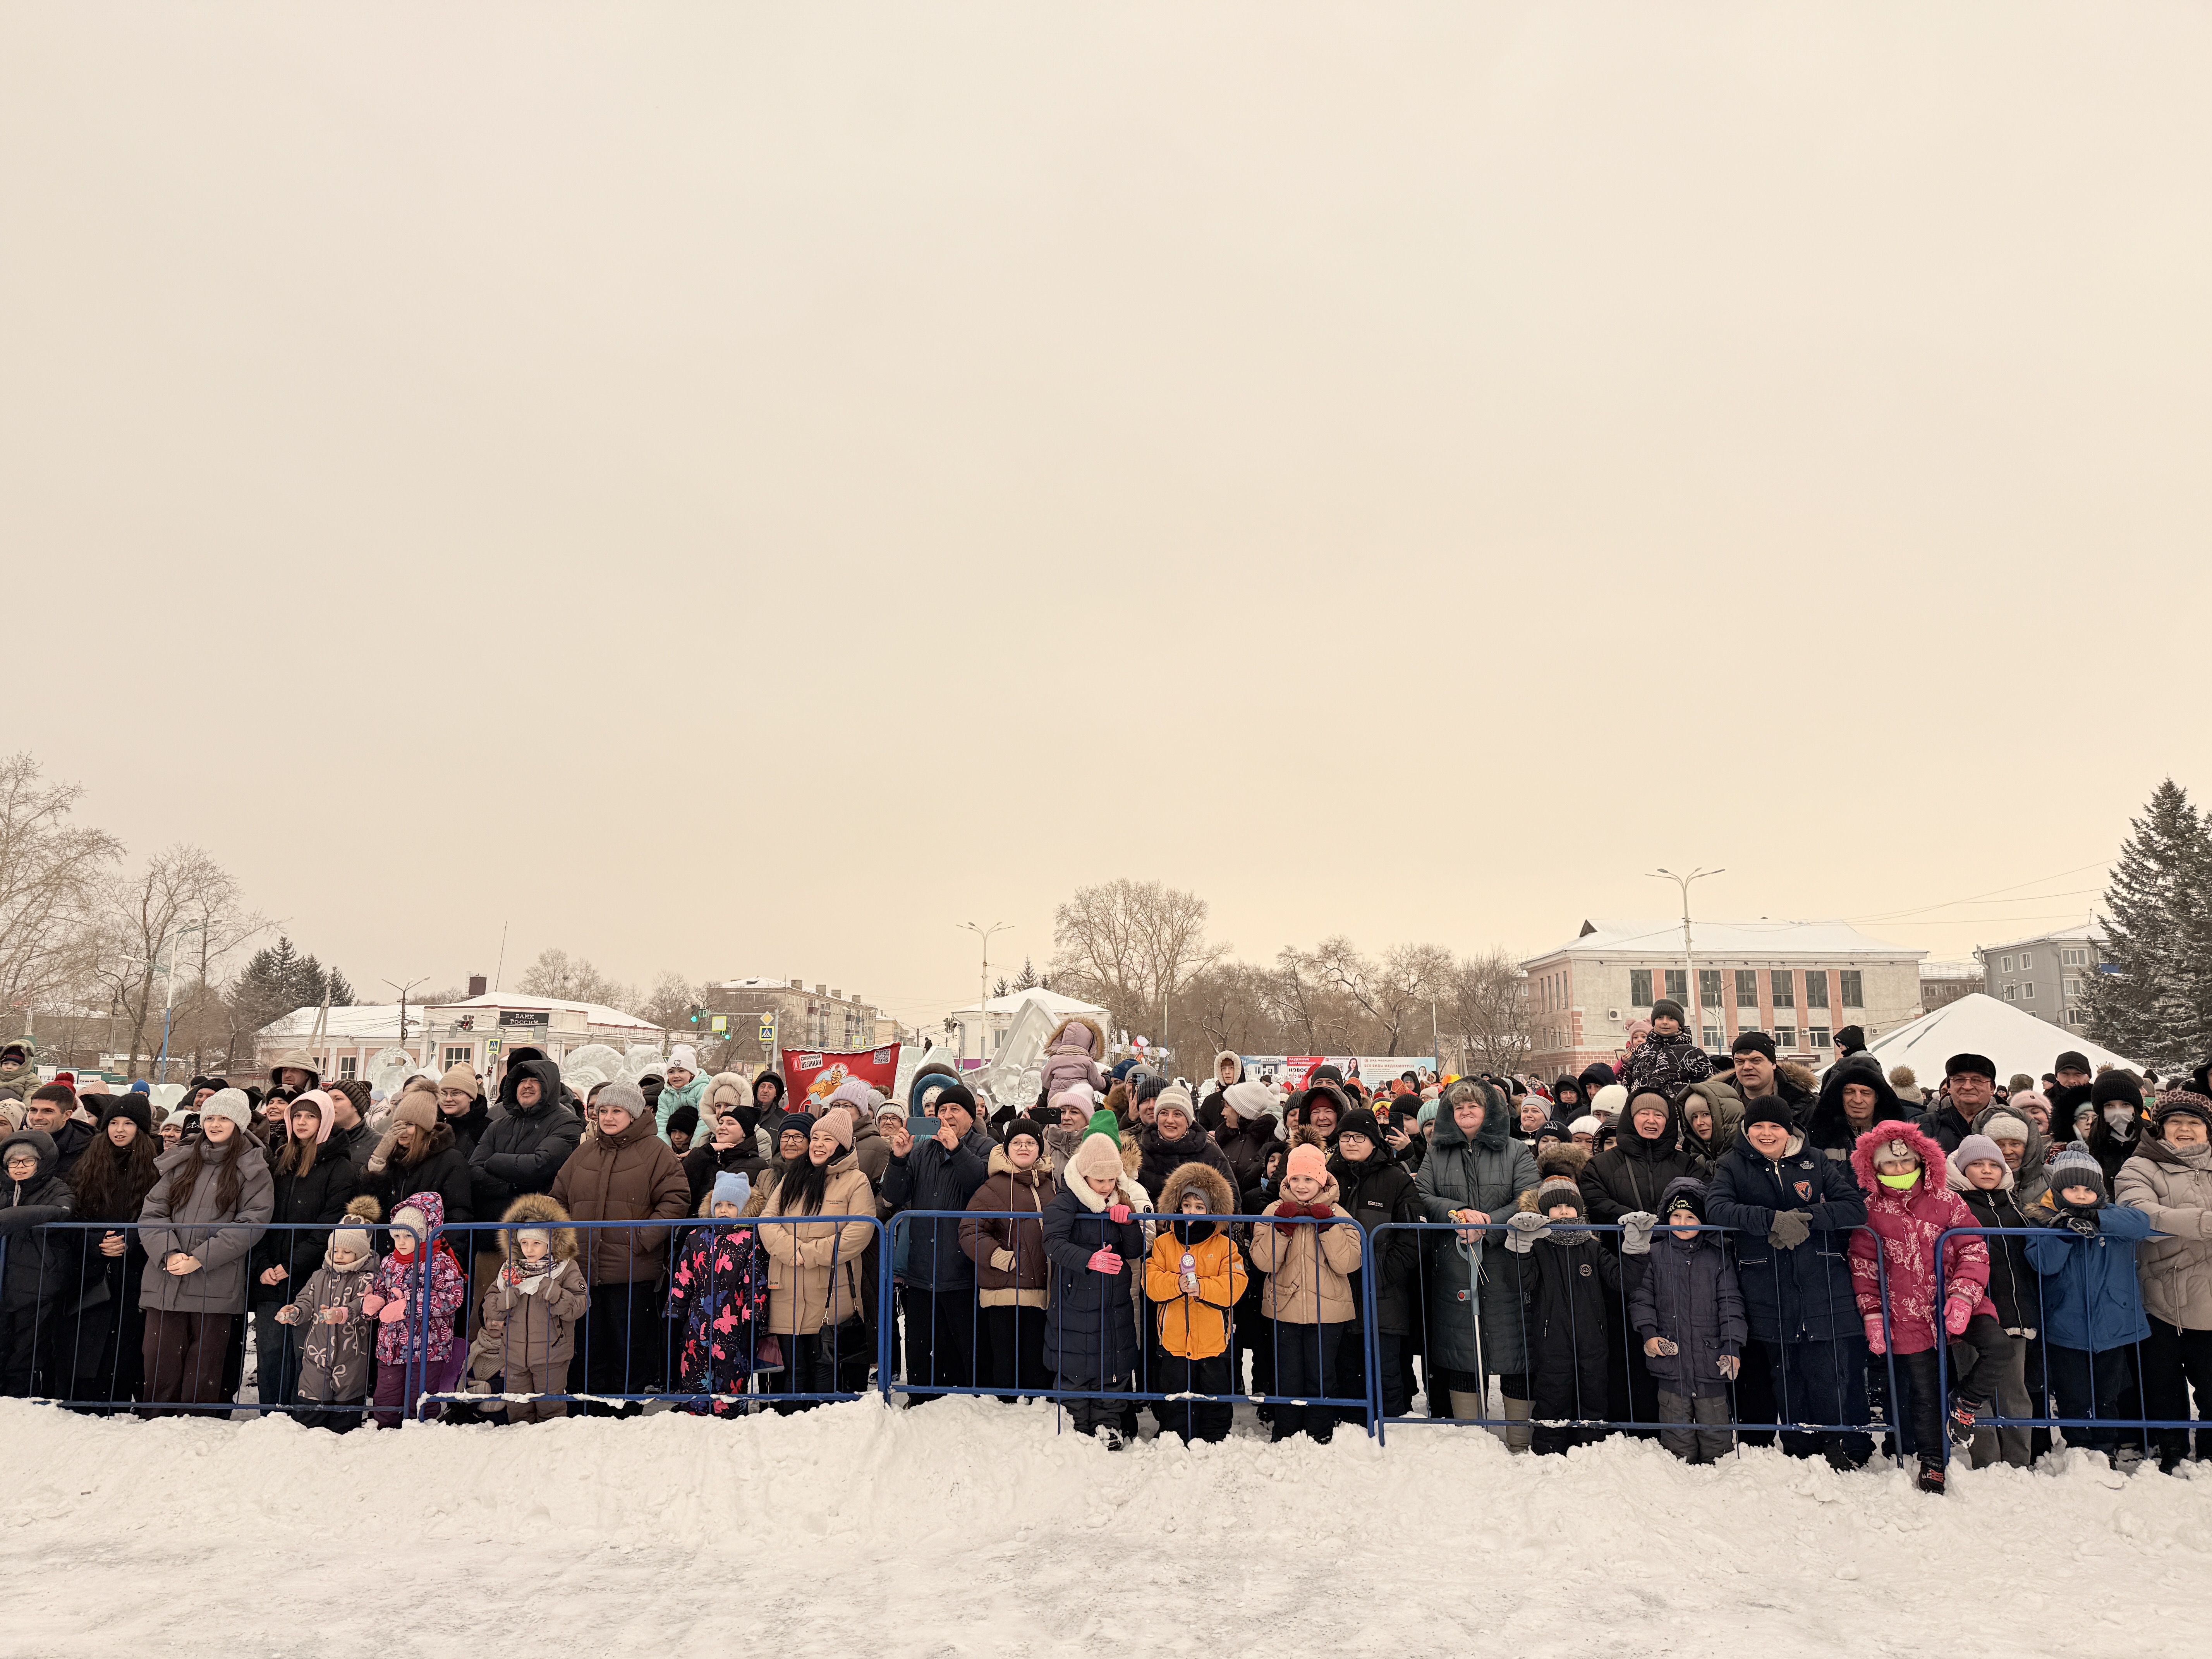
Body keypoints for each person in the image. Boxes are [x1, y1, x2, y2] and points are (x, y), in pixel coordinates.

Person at [1705, 1095, 1872, 1468]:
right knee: (1786, 1373)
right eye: (1758, 1127)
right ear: (1747, 1130)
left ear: (1789, 1130)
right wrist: (1772, 1221)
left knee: (1829, 1370)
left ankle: (1840, 1444)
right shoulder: (1732, 1164)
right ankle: (1800, 1447)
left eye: (1775, 1127)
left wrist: (1807, 1218)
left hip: (1821, 1283)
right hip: (1768, 1285)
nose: (1766, 1134)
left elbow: (1854, 1207)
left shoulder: (1815, 1161)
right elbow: (1717, 1208)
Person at [1846, 1125, 2006, 1494]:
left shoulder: (1948, 1200)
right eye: (1890, 1164)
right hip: (1906, 1313)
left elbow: (1973, 1247)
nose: (1900, 1170)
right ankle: (1933, 1461)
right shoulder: (1869, 1211)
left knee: (1999, 1348)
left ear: (1922, 1162)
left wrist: (1964, 1295)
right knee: (1923, 1392)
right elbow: (1864, 1266)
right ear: (1875, 1168)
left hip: (1956, 1301)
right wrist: (1873, 1315)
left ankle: (1965, 1401)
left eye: (1907, 1162)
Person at [548, 1080, 690, 1415]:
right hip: (583, 1269)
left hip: (631, 1270)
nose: (608, 1118)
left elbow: (676, 1200)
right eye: (603, 1111)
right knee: (588, 1344)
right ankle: (588, 1409)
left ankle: (625, 1410)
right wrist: (565, 1242)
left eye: (617, 1111)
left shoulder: (656, 1152)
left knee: (628, 1346)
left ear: (634, 1115)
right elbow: (559, 1198)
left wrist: (641, 1239)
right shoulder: (584, 1152)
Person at [135, 1089, 273, 1413]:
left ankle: (199, 1421)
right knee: (159, 1354)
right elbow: (153, 1212)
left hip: (215, 1278)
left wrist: (201, 1258)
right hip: (167, 1275)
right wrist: (169, 1253)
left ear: (239, 1123)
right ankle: (156, 1418)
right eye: (210, 1117)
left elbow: (252, 1222)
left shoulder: (253, 1169)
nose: (215, 1124)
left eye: (224, 1118)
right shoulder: (182, 1162)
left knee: (205, 1361)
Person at [1417, 1078, 1539, 1444]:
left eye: (1474, 1106)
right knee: (1463, 1350)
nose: (1466, 1112)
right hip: (1455, 1263)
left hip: (1507, 1265)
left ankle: (1519, 1437)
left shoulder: (1516, 1151)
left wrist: (1489, 1225)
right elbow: (1422, 1194)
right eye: (1459, 1107)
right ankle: (1471, 1439)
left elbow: (1529, 1196)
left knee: (1514, 1348)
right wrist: (1458, 1214)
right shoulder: (1436, 1153)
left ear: (1489, 1112)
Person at [2026, 1146, 2152, 1467]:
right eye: (2072, 1188)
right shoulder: (2043, 1222)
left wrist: (2097, 1218)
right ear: (2058, 1191)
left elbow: (2141, 1224)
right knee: (2073, 1394)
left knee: (2108, 1393)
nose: (2081, 1195)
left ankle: (2106, 1447)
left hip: (2111, 1324)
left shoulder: (2113, 1217)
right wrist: (2062, 1231)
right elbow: (2045, 1264)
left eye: (2088, 1189)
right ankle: (2079, 1449)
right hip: (2065, 1325)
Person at [2113, 1090, 2212, 1472]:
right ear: (2161, 1128)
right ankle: (2172, 1451)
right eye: (2176, 1122)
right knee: (2163, 1383)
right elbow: (2138, 1213)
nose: (2185, 1129)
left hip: (2208, 1296)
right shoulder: (2140, 1166)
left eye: (2195, 1123)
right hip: (2160, 1293)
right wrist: (2203, 1224)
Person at [751, 1113, 875, 1410]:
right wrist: (791, 1251)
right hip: (787, 1288)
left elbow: (860, 1231)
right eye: (816, 1138)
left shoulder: (856, 1181)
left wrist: (810, 1253)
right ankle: (790, 1423)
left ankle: (823, 1425)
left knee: (825, 1369)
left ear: (842, 1145)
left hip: (829, 1293)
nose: (818, 1145)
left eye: (828, 1139)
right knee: (793, 1370)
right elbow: (768, 1221)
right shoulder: (792, 1177)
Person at [249, 1090, 360, 1412]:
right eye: (297, 1115)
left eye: (311, 1116)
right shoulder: (279, 1160)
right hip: (271, 1276)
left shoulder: (340, 1167)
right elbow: (262, 1216)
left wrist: (292, 1265)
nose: (302, 1122)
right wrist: (264, 1264)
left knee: (306, 1352)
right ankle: (271, 1413)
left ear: (324, 1121)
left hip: (312, 1278)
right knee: (271, 1350)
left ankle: (302, 1413)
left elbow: (328, 1227)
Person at [1040, 1125, 1149, 1448]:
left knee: (1112, 1368)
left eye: (1112, 1180)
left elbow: (1135, 1250)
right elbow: (1053, 1243)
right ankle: (1077, 1429)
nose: (1106, 1187)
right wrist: (1090, 1260)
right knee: (1075, 1368)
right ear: (1085, 1175)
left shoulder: (1120, 1198)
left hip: (1114, 1303)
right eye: (1099, 1181)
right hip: (1075, 1301)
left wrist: (1127, 1223)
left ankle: (1108, 1427)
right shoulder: (1065, 1201)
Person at [882, 1082, 992, 1394]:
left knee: (968, 1347)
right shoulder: (921, 1149)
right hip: (922, 1268)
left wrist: (957, 1149)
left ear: (971, 1116)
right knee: (922, 1346)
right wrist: (899, 1159)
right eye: (942, 1110)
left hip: (963, 1268)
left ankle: (974, 1400)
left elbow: (979, 1185)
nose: (947, 1115)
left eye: (955, 1109)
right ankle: (921, 1397)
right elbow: (894, 1196)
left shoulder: (985, 1147)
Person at [1501, 1166, 1619, 1455]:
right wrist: (1520, 1247)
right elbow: (1520, 1281)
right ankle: (1549, 1448)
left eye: (1569, 1206)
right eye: (1556, 1207)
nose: (1564, 1212)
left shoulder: (1592, 1246)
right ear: (1545, 1212)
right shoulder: (1539, 1245)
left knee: (1593, 1390)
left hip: (1593, 1336)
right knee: (1553, 1391)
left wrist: (1635, 1248)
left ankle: (1590, 1447)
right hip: (1551, 1335)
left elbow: (1621, 1280)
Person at [1250, 1142, 1361, 1444]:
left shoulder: (1338, 1214)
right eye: (1296, 1178)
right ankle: (1286, 1430)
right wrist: (1281, 1230)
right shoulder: (1273, 1212)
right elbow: (1263, 1262)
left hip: (1328, 1310)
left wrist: (1329, 1228)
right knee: (1288, 1374)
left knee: (1321, 1374)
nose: (1301, 1186)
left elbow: (1349, 1263)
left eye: (1309, 1179)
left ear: (1322, 1181)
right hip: (1285, 1306)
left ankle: (1320, 1430)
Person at [1625, 1178, 1743, 1463]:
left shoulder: (1718, 1256)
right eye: (1676, 1216)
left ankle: (1719, 1471)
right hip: (1671, 1358)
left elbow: (1731, 1304)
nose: (1682, 1223)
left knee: (1716, 1433)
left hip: (1710, 1358)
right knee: (1676, 1434)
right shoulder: (1654, 1253)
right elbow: (1642, 1298)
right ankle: (1680, 1471)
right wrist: (1649, 1333)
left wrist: (1732, 1346)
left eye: (1691, 1217)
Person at [1945, 1134, 2040, 1469]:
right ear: (1961, 1169)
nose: (1987, 1170)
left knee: (2015, 1390)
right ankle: (1985, 1460)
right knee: (1977, 1388)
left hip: (2015, 1309)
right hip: (1973, 1311)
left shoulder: (2014, 1206)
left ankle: (2017, 1461)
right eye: (1977, 1164)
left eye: (1993, 1165)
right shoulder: (1953, 1205)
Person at [60, 1096, 162, 1405]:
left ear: (140, 1129)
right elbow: (73, 1217)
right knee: (89, 1337)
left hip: (135, 1267)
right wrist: (95, 1243)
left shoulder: (155, 1169)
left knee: (128, 1335)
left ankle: (119, 1396)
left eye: (128, 1124)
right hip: (92, 1268)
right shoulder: (88, 1166)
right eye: (114, 1123)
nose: (120, 1130)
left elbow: (159, 1217)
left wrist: (132, 1242)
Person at [461, 1192, 591, 1422]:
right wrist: (503, 1301)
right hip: (514, 1356)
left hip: (552, 1355)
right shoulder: (510, 1270)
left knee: (550, 1408)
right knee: (518, 1409)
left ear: (552, 1242)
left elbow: (580, 1305)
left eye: (537, 1243)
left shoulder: (565, 1268)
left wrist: (557, 1295)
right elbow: (489, 1304)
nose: (529, 1249)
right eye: (524, 1243)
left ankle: (549, 1442)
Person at [1144, 1162, 1245, 1443]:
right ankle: (1175, 1433)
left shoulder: (1225, 1246)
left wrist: (1204, 1287)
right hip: (1174, 1337)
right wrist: (1176, 1284)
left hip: (1213, 1339)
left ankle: (1215, 1435)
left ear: (1212, 1211)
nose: (1191, 1212)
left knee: (1213, 1391)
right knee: (1175, 1390)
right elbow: (1151, 1280)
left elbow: (1235, 1284)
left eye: (1199, 1207)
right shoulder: (1164, 1244)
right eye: (1187, 1205)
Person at [960, 1116, 1058, 1402]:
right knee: (1006, 1358)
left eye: (1030, 1143)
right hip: (1004, 1288)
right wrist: (999, 1257)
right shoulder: (994, 1187)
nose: (1024, 1148)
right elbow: (970, 1230)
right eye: (1017, 1143)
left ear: (1040, 1149)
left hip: (1041, 1288)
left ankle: (1036, 1408)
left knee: (1036, 1357)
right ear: (1006, 1149)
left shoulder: (1051, 1186)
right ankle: (1006, 1409)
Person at [661, 1175, 768, 1417]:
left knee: (731, 1373)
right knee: (693, 1370)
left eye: (731, 1205)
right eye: (719, 1205)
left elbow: (756, 1283)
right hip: (697, 1321)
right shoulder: (697, 1237)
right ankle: (695, 1410)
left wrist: (753, 1318)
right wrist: (675, 1311)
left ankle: (729, 1413)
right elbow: (683, 1278)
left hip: (733, 1324)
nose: (723, 1210)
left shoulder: (751, 1240)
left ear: (744, 1208)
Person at [361, 1190, 467, 1427]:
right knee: (386, 1395)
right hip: (391, 1345)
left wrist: (409, 1307)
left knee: (420, 1397)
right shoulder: (389, 1262)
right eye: (397, 1236)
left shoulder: (440, 1262)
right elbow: (381, 1290)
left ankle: (420, 1432)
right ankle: (385, 1430)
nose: (401, 1242)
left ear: (425, 1234)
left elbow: (452, 1298)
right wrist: (373, 1303)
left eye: (408, 1236)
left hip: (428, 1346)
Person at [273, 1196, 381, 1431]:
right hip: (317, 1349)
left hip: (352, 1352)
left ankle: (344, 1432)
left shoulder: (368, 1279)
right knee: (312, 1392)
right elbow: (306, 1300)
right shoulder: (319, 1276)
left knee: (347, 1396)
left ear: (361, 1254)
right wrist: (295, 1312)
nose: (339, 1256)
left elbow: (365, 1305)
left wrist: (342, 1314)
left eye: (347, 1251)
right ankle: (309, 1429)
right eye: (335, 1250)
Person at [0, 1126, 77, 1396]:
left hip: (37, 1284)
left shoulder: (56, 1188)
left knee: (28, 1351)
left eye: (28, 1161)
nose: (20, 1167)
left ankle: (24, 1400)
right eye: (13, 1162)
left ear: (42, 1162)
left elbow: (62, 1211)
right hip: (4, 1283)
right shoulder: (3, 1188)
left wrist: (9, 1218)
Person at [359, 1093, 473, 1229]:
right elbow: (372, 1201)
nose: (401, 1131)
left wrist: (444, 1243)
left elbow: (458, 1212)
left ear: (424, 1127)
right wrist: (379, 1158)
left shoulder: (450, 1159)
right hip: (393, 1238)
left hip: (431, 1240)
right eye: (397, 1124)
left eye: (409, 1124)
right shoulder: (393, 1158)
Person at [1803, 1054, 1915, 1164]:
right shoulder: (1820, 1139)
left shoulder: (1899, 1138)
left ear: (1877, 1098)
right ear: (1841, 1097)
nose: (1858, 1100)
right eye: (1850, 1092)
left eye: (1865, 1093)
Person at [1135, 1083, 1236, 1202]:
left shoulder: (1211, 1153)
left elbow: (1231, 1200)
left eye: (1177, 1114)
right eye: (1164, 1113)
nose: (1170, 1120)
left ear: (1188, 1121)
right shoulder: (1139, 1154)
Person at [1620, 999, 1713, 1101]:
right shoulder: (1641, 1051)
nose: (1665, 1022)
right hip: (1640, 1108)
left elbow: (1706, 1089)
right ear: (1654, 1022)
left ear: (1680, 1024)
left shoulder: (1693, 1054)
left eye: (1671, 1019)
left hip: (1678, 1109)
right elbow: (1627, 1083)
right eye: (1660, 1018)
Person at [1727, 1033, 1811, 1122]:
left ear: (1773, 1064)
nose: (1747, 1067)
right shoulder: (1719, 1101)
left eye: (1756, 1061)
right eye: (1740, 1061)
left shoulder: (1804, 1103)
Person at [1920, 1054, 1994, 1154]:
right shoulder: (1923, 1126)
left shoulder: (2009, 1124)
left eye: (1977, 1080)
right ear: (1950, 1087)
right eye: (1959, 1080)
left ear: (1992, 1088)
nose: (1967, 1087)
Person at [2085, 1070, 2146, 1190]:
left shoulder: (2153, 1139)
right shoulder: (2090, 1147)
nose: (2118, 1112)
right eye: (2109, 1106)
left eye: (2125, 1105)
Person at [22, 1085, 93, 1178]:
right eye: (34, 1110)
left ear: (66, 1115)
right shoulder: (20, 1143)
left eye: (48, 1111)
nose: (37, 1118)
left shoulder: (90, 1148)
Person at [1039, 1016, 1109, 1106]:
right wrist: (1105, 1081)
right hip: (1081, 1101)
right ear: (1088, 1043)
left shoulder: (1054, 1060)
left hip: (1057, 1101)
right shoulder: (1087, 1061)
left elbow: (1045, 1080)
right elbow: (1097, 1084)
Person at [434, 1064, 491, 1162]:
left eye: (456, 1093)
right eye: (443, 1093)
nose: (448, 1099)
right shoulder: (430, 1125)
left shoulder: (486, 1129)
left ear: (471, 1097)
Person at [656, 1045, 709, 1142]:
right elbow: (661, 1123)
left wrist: (695, 1148)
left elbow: (704, 1121)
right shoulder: (665, 1094)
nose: (676, 1076)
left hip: (698, 1142)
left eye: (681, 1071)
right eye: (671, 1072)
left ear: (692, 1073)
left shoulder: (702, 1089)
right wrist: (666, 1149)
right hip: (675, 1141)